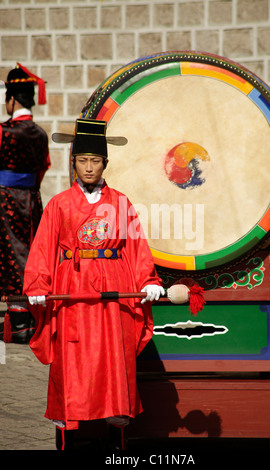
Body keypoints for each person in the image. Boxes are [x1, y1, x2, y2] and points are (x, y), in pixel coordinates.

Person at [23, 118, 164, 450]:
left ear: (105, 163)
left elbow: (136, 247)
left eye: (95, 161)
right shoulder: (59, 204)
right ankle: (68, 436)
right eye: (82, 160)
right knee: (72, 358)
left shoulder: (121, 203)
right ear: (73, 163)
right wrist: (38, 286)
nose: (89, 167)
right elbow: (42, 247)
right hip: (72, 288)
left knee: (113, 356)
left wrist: (148, 279)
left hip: (113, 289)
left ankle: (116, 438)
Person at [0, 63, 50, 344]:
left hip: (5, 199)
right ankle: (32, 315)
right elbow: (43, 168)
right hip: (31, 198)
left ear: (13, 99)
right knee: (31, 251)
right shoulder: (41, 134)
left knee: (10, 254)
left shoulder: (4, 131)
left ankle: (18, 320)